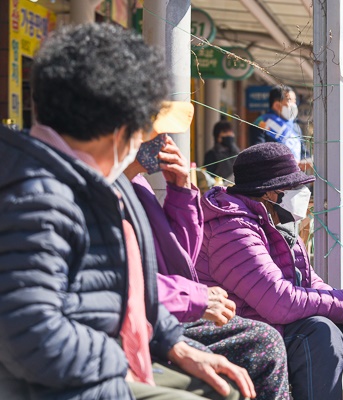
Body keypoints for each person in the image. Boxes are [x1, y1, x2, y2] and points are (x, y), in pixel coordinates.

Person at [0, 23, 253, 400]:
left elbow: (137, 291)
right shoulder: (40, 197)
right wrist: (122, 356)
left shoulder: (92, 180)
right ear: (120, 129)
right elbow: (32, 338)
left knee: (227, 388)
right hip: (61, 383)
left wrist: (176, 347)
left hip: (96, 365)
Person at [196, 142, 343, 400]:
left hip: (275, 322)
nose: (303, 192)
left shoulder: (277, 223)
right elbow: (279, 302)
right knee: (319, 333)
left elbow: (311, 284)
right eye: (294, 186)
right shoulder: (231, 230)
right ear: (271, 194)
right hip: (243, 329)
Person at [124, 131, 290, 400]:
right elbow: (119, 282)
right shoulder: (106, 187)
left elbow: (178, 260)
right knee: (263, 348)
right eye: (153, 131)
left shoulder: (137, 184)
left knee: (306, 331)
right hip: (151, 317)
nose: (165, 140)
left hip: (163, 312)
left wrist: (181, 191)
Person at [248, 86, 304, 162]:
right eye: (290, 101)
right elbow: (257, 154)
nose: (294, 106)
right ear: (277, 105)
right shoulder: (261, 123)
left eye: (295, 102)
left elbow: (304, 154)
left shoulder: (295, 126)